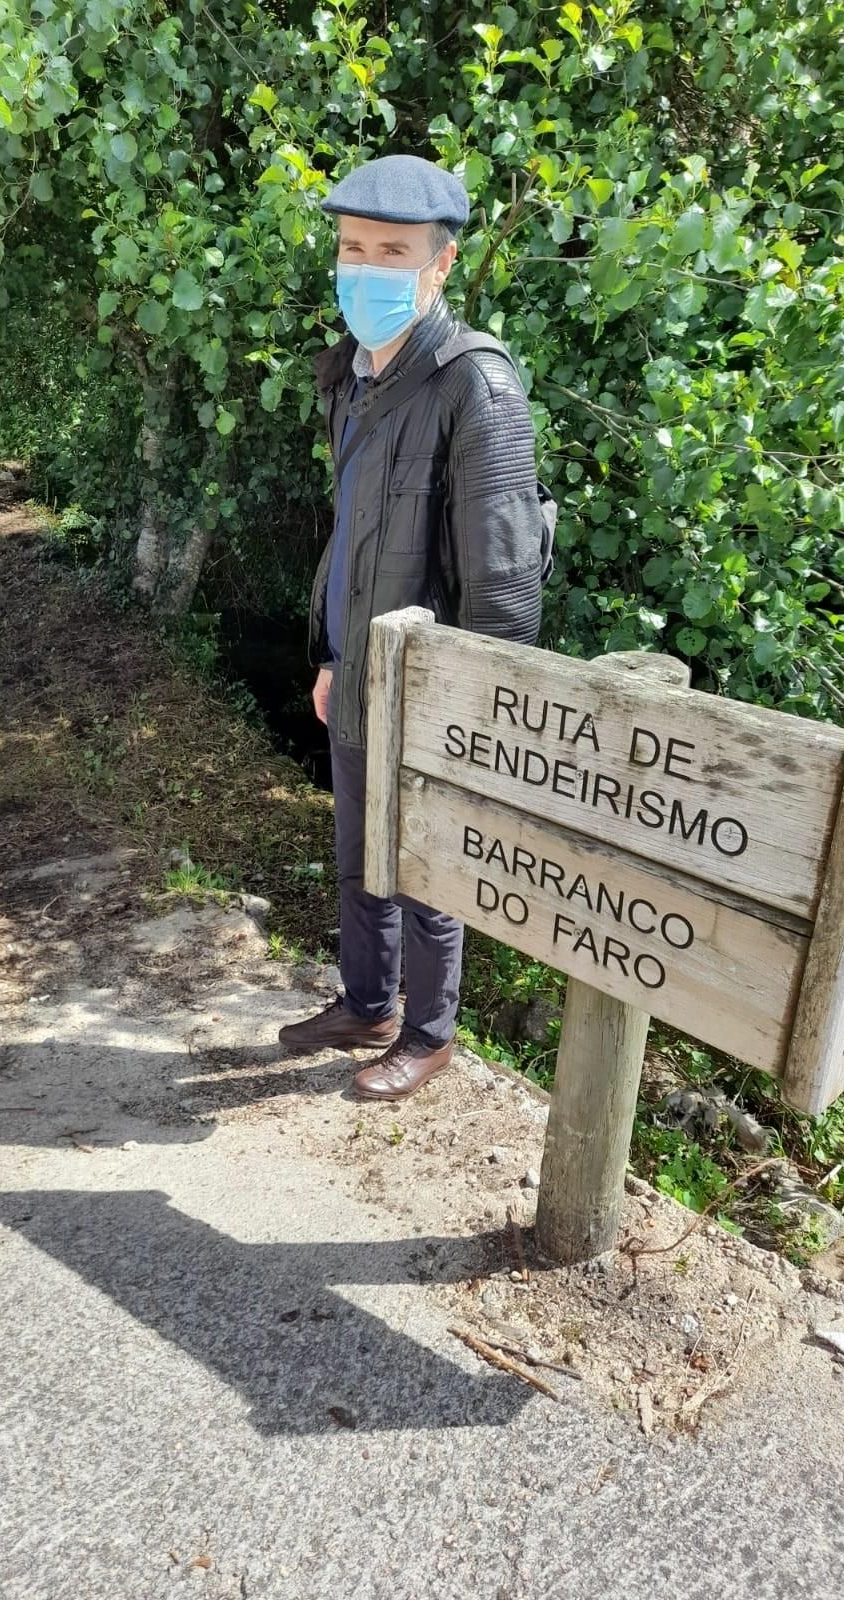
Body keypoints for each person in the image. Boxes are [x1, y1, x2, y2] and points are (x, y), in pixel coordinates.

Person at [278, 153, 549, 1102]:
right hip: (360, 671)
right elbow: (352, 534)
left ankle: (429, 1035)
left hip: (436, 690)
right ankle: (368, 1004)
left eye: (390, 251)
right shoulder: (355, 377)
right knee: (360, 847)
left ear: (439, 265)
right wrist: (328, 655)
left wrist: (478, 713)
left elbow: (505, 578)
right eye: (352, 248)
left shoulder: (476, 384)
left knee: (430, 863)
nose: (365, 269)